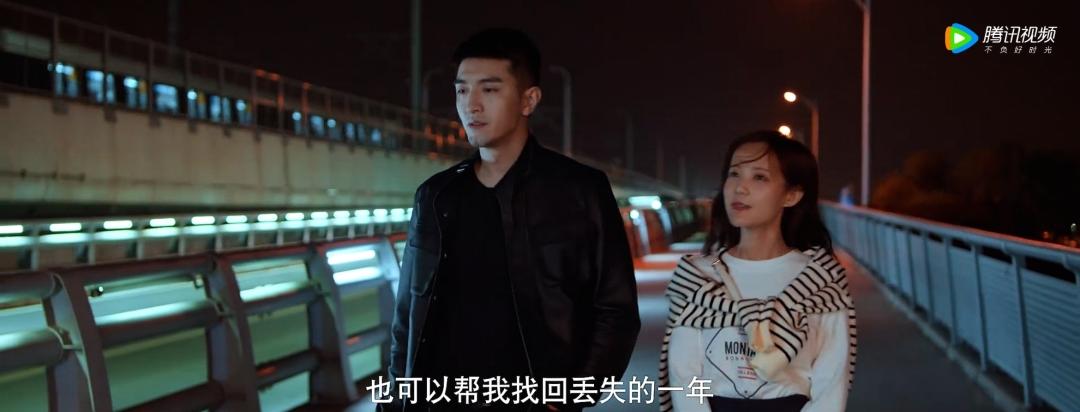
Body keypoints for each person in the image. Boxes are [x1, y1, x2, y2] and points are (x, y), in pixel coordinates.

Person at [380, 28, 641, 411]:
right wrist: (392, 403)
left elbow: (616, 311)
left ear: (528, 100)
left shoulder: (580, 190)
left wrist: (568, 399)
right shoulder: (436, 196)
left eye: (489, 89)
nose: (471, 105)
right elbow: (407, 318)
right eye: (461, 91)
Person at [658, 131, 857, 412]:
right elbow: (683, 374)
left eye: (759, 177)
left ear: (791, 195)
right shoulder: (697, 276)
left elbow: (832, 381)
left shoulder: (820, 280)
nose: (740, 188)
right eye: (734, 174)